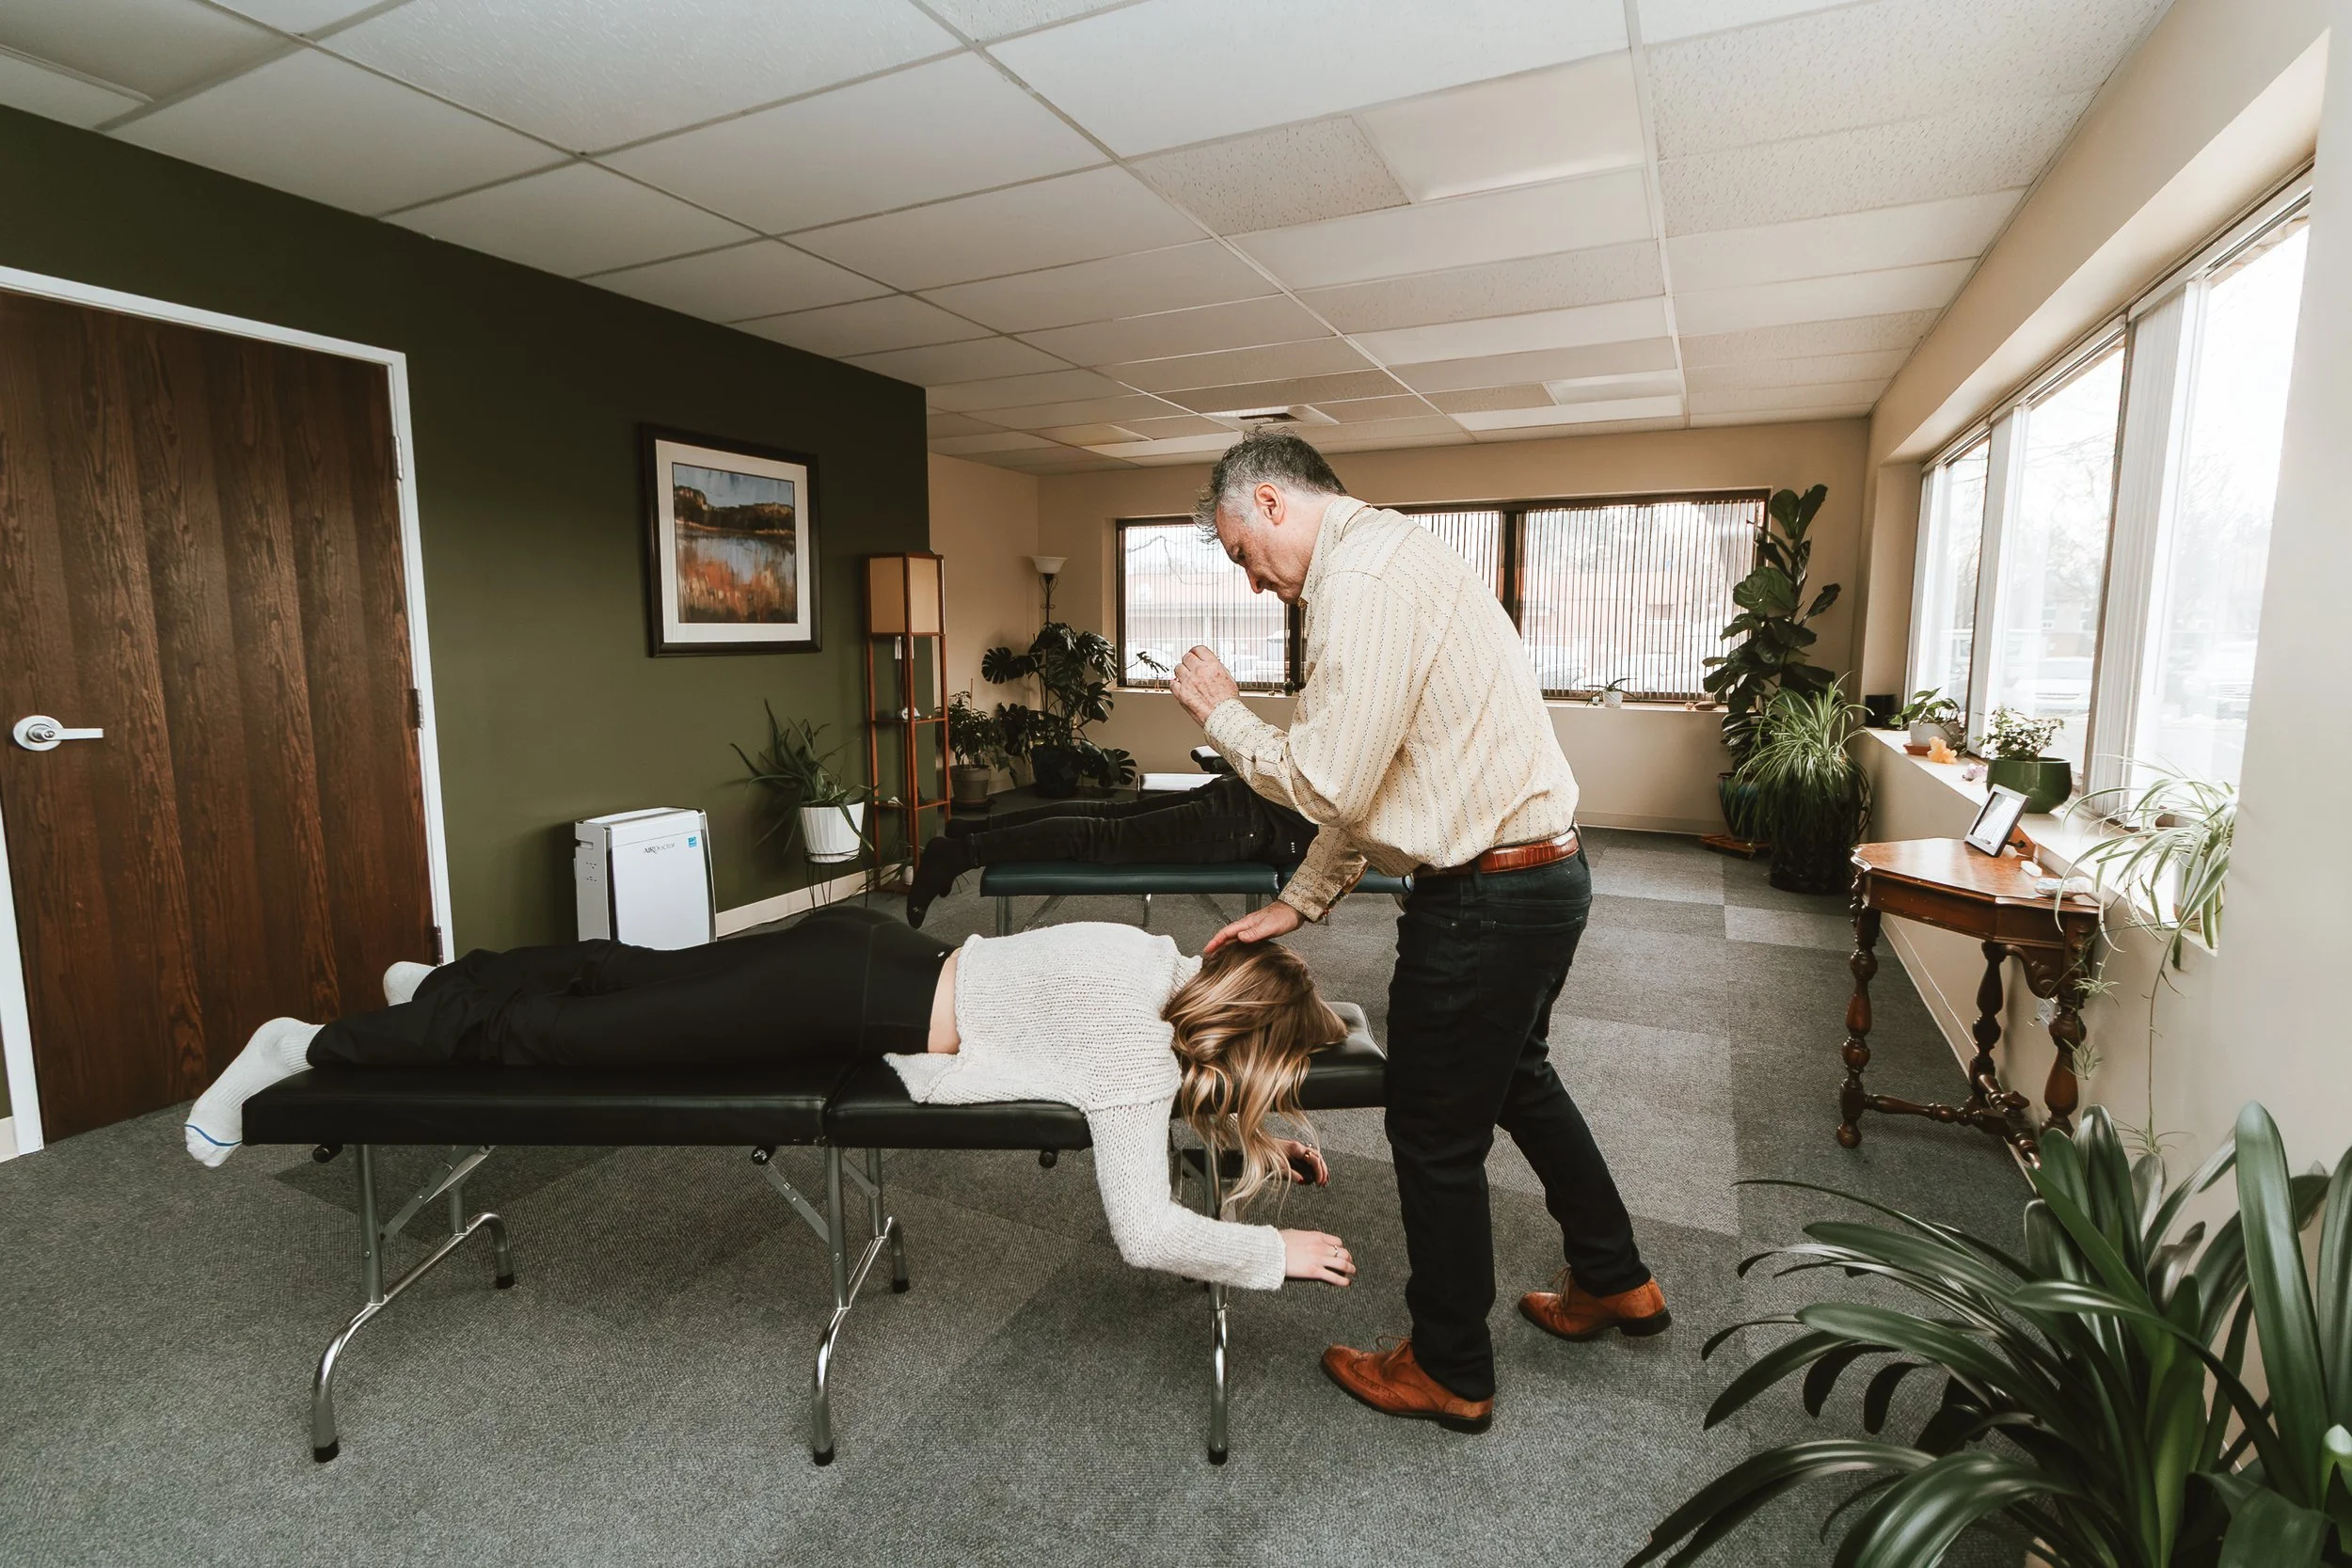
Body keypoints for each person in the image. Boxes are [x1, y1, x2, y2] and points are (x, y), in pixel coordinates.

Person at [1169, 430, 1664, 1434]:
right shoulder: (1390, 560)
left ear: (1269, 503)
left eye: (1239, 554)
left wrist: (1224, 716)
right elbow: (1388, 777)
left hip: (1483, 898)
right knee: (1521, 1075)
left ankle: (1447, 1367)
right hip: (1545, 875)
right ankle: (1615, 1277)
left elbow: (1329, 781)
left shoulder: (1362, 586)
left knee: (1433, 1133)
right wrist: (1300, 901)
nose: (1253, 582)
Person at [182, 904, 1359, 1292]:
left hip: (866, 952)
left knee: (634, 979)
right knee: (582, 1038)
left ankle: (436, 993)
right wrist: (1276, 1255)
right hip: (839, 1004)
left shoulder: (1154, 961)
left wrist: (1267, 1127)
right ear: (1239, 1044)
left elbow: (1187, 1057)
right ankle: (308, 1044)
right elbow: (1144, 1231)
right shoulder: (1138, 1056)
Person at [903, 773, 1317, 927]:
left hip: (1248, 797)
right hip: (1244, 826)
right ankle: (960, 854)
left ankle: (972, 832)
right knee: (1102, 837)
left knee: (1109, 817)